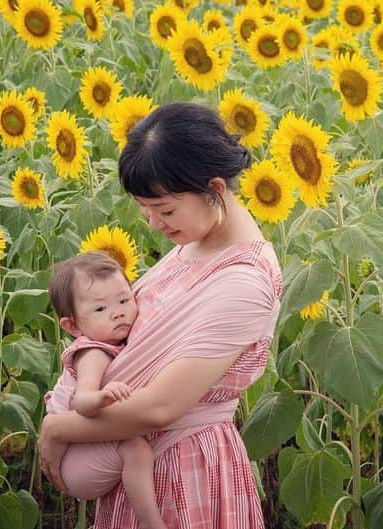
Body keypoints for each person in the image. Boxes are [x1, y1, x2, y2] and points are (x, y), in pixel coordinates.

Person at [38, 101, 283, 529]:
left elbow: (160, 408)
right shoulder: (196, 242)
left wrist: (59, 429)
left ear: (215, 190)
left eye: (165, 210)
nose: (153, 224)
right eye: (145, 209)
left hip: (184, 472)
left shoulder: (244, 283)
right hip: (142, 464)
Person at [43, 251, 168, 529]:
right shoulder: (93, 353)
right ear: (72, 325)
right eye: (100, 309)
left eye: (124, 300)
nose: (118, 312)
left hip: (81, 448)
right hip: (74, 462)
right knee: (136, 449)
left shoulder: (112, 341)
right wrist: (103, 395)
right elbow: (83, 402)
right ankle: (151, 523)